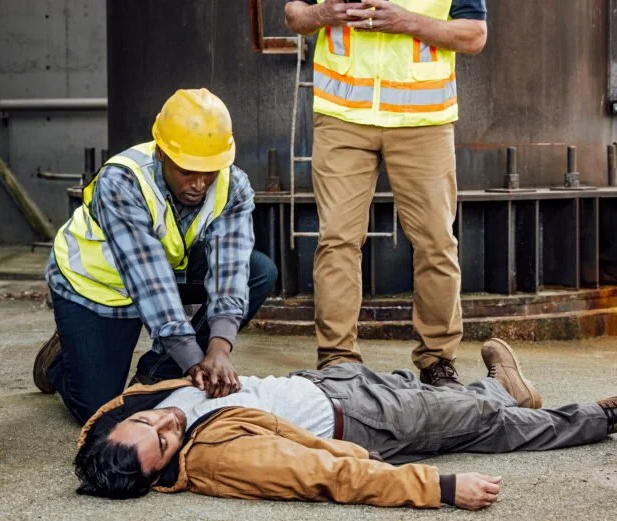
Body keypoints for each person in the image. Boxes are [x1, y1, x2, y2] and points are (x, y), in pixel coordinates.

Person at [73, 338, 616, 511]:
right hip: (360, 421)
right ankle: (507, 390)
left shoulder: (133, 414)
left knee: (484, 428)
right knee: (484, 418)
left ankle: (586, 414)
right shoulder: (217, 458)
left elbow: (112, 418)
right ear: (162, 471)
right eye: (164, 441)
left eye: (149, 421)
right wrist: (440, 488)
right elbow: (322, 473)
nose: (167, 421)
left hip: (331, 385)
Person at [33, 88, 278, 424]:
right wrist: (193, 360)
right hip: (98, 288)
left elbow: (231, 267)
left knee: (258, 271)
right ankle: (62, 357)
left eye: (209, 171)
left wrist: (219, 350)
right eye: (187, 170)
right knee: (100, 412)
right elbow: (149, 281)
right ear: (162, 154)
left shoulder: (233, 185)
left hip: (167, 272)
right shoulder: (122, 182)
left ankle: (157, 373)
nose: (199, 183)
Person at [284, 0, 488, 387]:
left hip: (423, 121)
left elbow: (474, 35)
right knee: (337, 239)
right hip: (342, 115)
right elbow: (295, 14)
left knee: (436, 242)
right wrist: (324, 15)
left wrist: (405, 21)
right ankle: (338, 361)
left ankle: (437, 360)